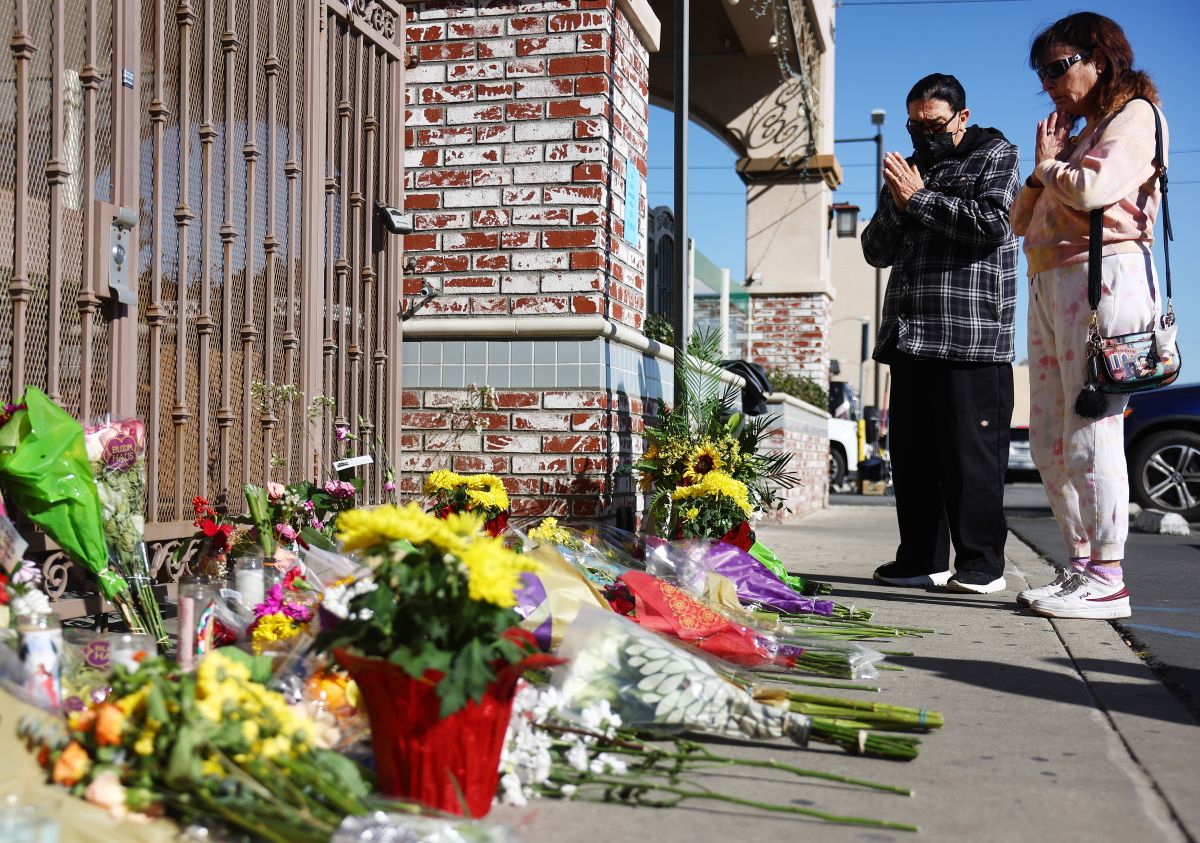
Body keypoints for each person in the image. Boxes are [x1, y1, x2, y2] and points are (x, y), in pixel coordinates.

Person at [1010, 13, 1167, 619]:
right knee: (1050, 438)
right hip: (1050, 279)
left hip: (1104, 279)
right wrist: (1044, 165)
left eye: (1057, 67)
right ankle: (1081, 568)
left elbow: (1093, 192)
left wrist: (1049, 164)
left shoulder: (1135, 117)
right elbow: (1022, 221)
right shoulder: (1082, 132)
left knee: (1089, 430)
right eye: (1041, 73)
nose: (1048, 83)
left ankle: (1109, 577)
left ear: (1098, 59)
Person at [861, 73, 1021, 595]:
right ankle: (919, 559)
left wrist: (920, 201)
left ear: (962, 118)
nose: (923, 135)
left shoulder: (996, 154)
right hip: (910, 338)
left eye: (933, 124)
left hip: (971, 339)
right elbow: (874, 249)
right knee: (913, 459)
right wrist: (901, 203)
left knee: (970, 460)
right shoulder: (910, 170)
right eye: (915, 125)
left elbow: (995, 223)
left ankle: (981, 565)